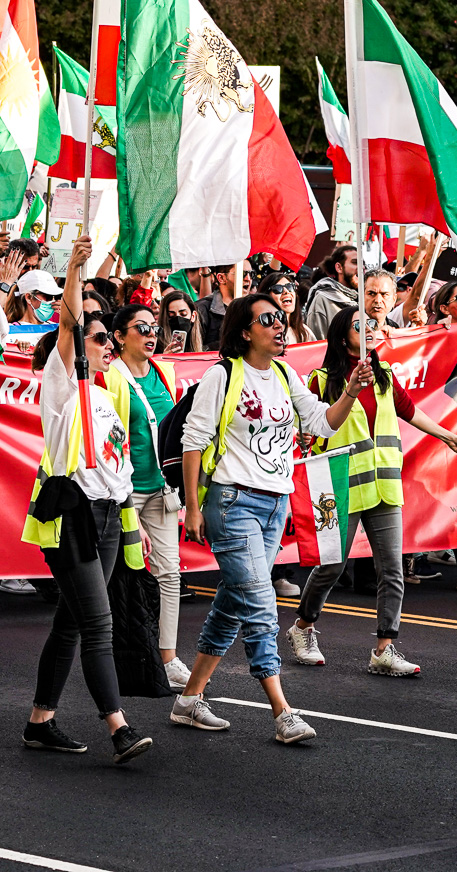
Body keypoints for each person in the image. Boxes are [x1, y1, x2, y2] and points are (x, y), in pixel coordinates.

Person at [173, 290, 365, 743]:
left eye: (281, 318)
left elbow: (322, 422)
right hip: (232, 502)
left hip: (275, 503)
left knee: (235, 601)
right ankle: (282, 712)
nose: (280, 324)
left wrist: (352, 392)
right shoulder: (222, 375)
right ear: (245, 331)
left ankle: (189, 699)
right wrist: (194, 507)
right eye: (269, 319)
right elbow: (193, 441)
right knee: (260, 607)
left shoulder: (283, 371)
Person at [17, 238, 155, 764]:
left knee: (72, 622)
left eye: (107, 341)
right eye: (100, 338)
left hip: (109, 518)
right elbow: (70, 329)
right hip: (73, 518)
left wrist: (129, 519)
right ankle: (117, 728)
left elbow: (118, 469)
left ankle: (40, 721)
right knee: (99, 623)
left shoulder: (104, 393)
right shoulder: (62, 384)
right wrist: (74, 269)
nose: (107, 347)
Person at [285, 306, 457, 678]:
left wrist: (449, 436)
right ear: (343, 338)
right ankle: (303, 627)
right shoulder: (323, 380)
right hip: (340, 487)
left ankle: (384, 649)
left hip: (383, 484)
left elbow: (409, 411)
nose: (371, 329)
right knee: (332, 567)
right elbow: (310, 423)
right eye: (360, 325)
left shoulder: (384, 374)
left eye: (373, 324)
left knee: (392, 569)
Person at [106, 301, 187, 687]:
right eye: (141, 328)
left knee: (169, 573)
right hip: (127, 493)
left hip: (162, 491)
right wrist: (125, 502)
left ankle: (167, 656)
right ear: (119, 338)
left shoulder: (165, 372)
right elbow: (111, 442)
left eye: (154, 327)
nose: (152, 334)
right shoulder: (111, 378)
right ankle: (111, 653)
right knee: (121, 576)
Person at [303, 245, 361, 341]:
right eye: (355, 262)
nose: (361, 267)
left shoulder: (365, 298)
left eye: (362, 263)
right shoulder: (322, 299)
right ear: (339, 267)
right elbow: (316, 343)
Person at [260, 272, 309, 344]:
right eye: (277, 289)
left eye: (290, 287)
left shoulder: (305, 332)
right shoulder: (260, 334)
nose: (286, 292)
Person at [157, 290, 201, 355]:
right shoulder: (155, 344)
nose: (178, 319)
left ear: (193, 316)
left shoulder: (204, 341)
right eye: (171, 316)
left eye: (183, 314)